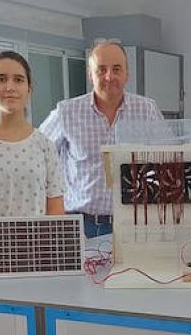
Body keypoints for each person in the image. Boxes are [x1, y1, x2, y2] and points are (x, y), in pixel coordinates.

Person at [39, 40, 164, 238]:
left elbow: (168, 164)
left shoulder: (147, 111)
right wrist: (50, 212)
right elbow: (37, 159)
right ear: (90, 75)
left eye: (116, 69)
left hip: (134, 225)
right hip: (79, 226)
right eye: (101, 69)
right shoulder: (66, 112)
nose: (109, 76)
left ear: (127, 74)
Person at [0, 51, 65, 254]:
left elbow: (55, 206)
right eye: (1, 79)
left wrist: (32, 242)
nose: (10, 87)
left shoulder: (45, 145)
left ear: (29, 89)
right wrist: (7, 240)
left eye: (18, 80)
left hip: (36, 251)